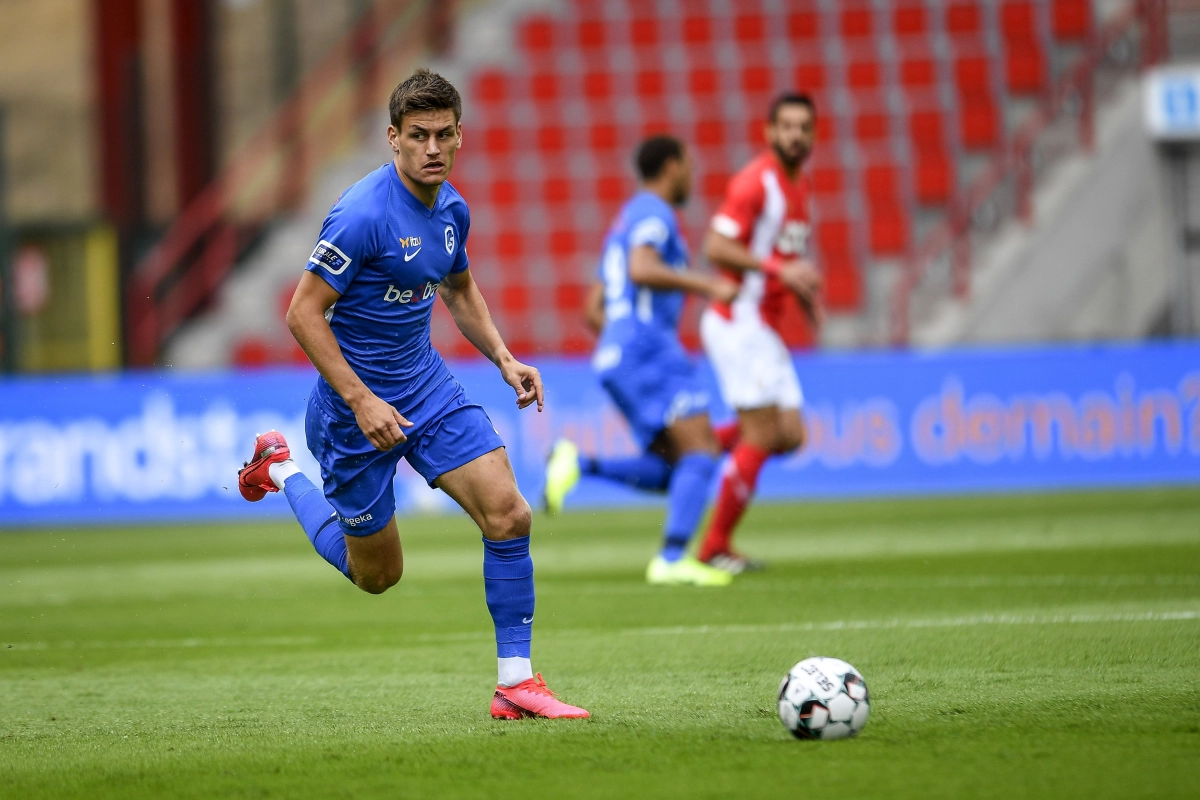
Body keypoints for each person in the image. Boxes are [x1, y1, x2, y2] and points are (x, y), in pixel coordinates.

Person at [235, 69, 588, 720]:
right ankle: (281, 467)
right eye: (418, 135)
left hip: (425, 387)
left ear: (460, 138)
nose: (432, 147)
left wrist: (505, 358)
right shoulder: (362, 214)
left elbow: (458, 289)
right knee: (377, 576)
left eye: (444, 135)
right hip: (352, 414)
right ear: (392, 138)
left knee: (509, 514)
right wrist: (362, 401)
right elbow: (302, 314)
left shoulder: (452, 208)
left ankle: (516, 682)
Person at [542, 136, 738, 587]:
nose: (693, 173)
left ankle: (579, 463)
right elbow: (642, 269)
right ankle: (671, 558)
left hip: (617, 351)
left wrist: (620, 339)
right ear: (671, 166)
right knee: (703, 448)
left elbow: (594, 307)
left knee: (674, 468)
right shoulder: (654, 212)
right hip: (649, 347)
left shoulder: (623, 221)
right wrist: (708, 287)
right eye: (689, 164)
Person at [695, 93, 825, 574]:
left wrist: (805, 295)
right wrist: (778, 270)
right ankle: (714, 547)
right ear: (770, 131)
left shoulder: (800, 186)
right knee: (764, 432)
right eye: (786, 126)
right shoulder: (757, 182)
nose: (795, 135)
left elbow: (784, 262)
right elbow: (716, 245)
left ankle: (701, 447)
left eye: (804, 127)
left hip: (763, 326)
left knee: (789, 435)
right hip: (737, 319)